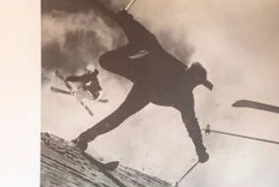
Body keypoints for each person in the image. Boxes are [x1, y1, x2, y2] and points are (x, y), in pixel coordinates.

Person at [73, 10, 212, 162]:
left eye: (193, 83)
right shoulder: (173, 67)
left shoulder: (185, 99)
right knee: (107, 61)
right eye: (190, 79)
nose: (189, 83)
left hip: (145, 91)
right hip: (142, 75)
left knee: (120, 115)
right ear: (187, 73)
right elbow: (149, 40)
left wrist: (200, 148)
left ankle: (84, 137)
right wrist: (127, 22)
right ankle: (135, 49)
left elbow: (192, 126)